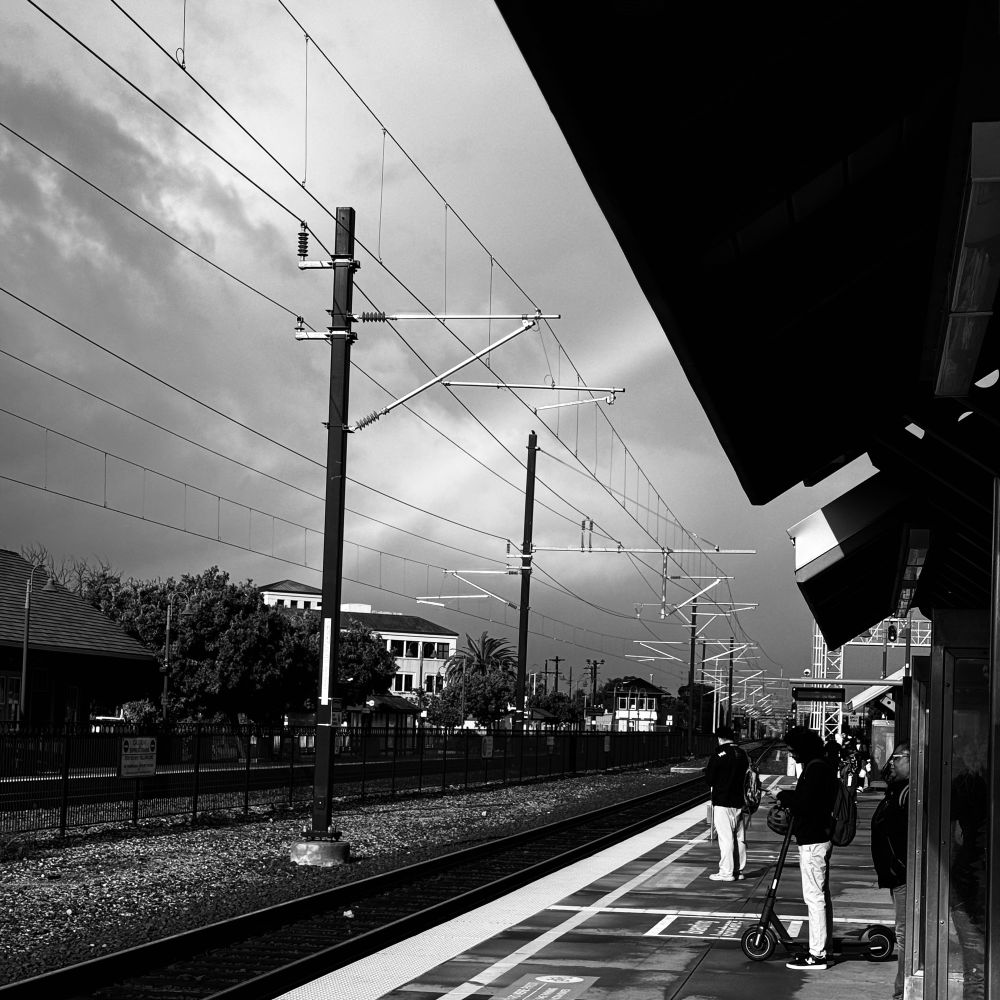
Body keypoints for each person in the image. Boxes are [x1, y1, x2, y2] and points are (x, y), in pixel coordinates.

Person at [776, 726, 840, 970]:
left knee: (814, 898)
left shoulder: (815, 770)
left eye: (793, 750)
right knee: (820, 896)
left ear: (803, 748)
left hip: (813, 841)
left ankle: (818, 954)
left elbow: (806, 804)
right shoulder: (819, 767)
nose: (791, 755)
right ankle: (824, 947)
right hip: (817, 838)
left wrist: (782, 796)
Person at [871, 742, 910, 1000]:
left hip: (905, 876)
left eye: (896, 758)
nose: (891, 763)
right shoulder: (897, 791)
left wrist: (900, 865)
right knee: (903, 932)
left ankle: (903, 992)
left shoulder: (908, 794)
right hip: (897, 876)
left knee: (905, 934)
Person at [704, 724, 749, 882]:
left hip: (722, 801)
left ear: (719, 738)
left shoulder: (719, 754)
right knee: (739, 837)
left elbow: (709, 779)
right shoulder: (742, 754)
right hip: (739, 802)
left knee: (725, 838)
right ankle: (738, 870)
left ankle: (726, 872)